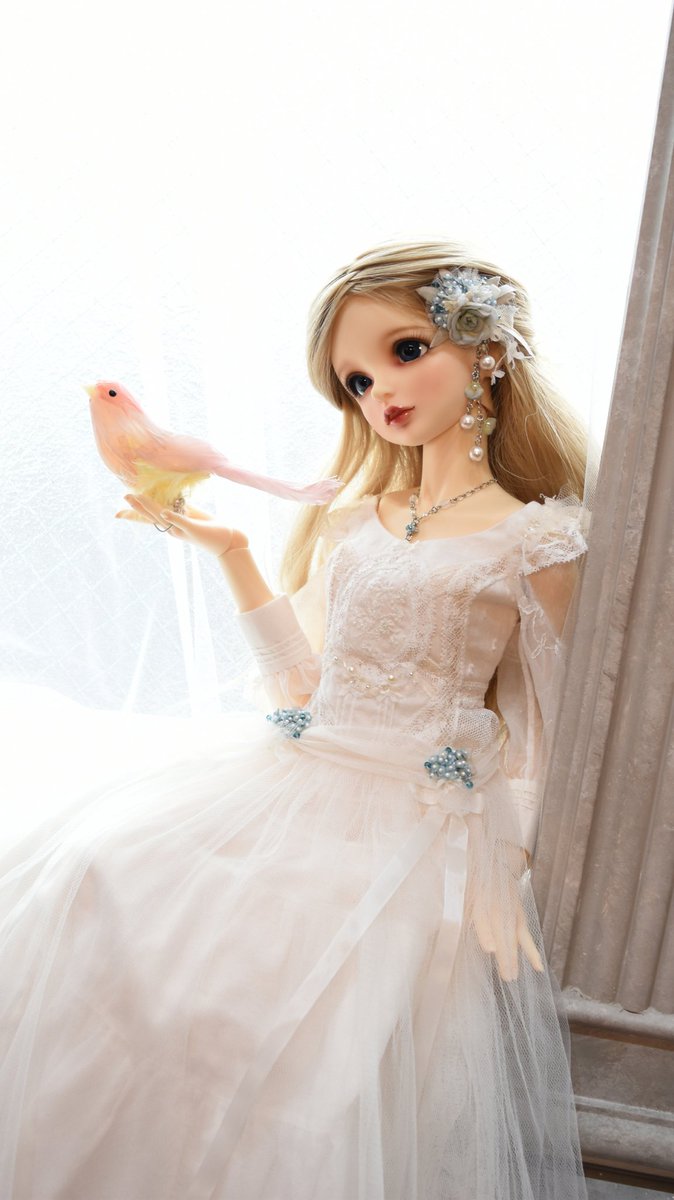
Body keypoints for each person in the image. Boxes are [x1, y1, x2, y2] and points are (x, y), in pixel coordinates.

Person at [0, 239, 592, 1199]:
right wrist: (233, 553)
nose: (379, 392)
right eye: (356, 381)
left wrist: (507, 856)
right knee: (98, 878)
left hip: (411, 821)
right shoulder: (360, 520)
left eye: (404, 352)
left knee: (310, 1053)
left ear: (487, 347)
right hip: (297, 781)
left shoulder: (537, 538)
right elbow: (305, 690)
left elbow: (557, 733)